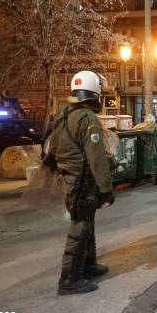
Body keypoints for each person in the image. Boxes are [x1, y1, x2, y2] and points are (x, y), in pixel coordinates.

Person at [46, 70, 114, 296]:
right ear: (95, 92)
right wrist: (106, 189)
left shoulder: (62, 115)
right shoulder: (87, 118)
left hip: (69, 177)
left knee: (87, 221)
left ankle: (88, 265)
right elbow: (97, 158)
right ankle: (69, 280)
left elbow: (52, 150)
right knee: (80, 226)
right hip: (82, 179)